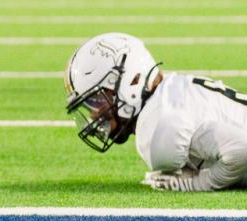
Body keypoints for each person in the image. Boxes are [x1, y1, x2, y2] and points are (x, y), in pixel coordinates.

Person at [66, 32, 247, 191]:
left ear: (132, 81)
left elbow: (242, 150)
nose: (94, 113)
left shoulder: (159, 121)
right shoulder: (170, 92)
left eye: (96, 100)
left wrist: (196, 184)